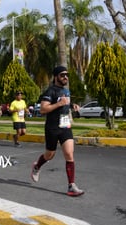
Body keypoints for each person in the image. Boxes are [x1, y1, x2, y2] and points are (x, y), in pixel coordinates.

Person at [30, 65, 84, 197]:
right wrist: (59, 104)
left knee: (69, 154)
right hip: (52, 128)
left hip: (65, 127)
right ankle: (37, 166)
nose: (65, 77)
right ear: (56, 77)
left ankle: (71, 186)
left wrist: (72, 105)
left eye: (67, 75)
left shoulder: (66, 91)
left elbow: (65, 102)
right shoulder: (50, 92)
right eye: (62, 75)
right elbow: (43, 110)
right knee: (50, 155)